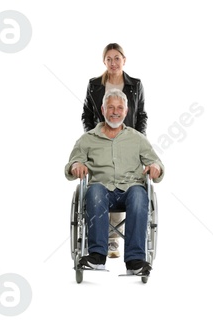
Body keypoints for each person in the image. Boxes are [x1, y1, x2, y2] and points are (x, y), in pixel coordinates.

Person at [66, 89, 164, 276]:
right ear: (103, 109)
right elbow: (72, 164)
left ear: (126, 112)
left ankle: (135, 260)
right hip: (100, 192)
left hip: (130, 191)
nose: (115, 111)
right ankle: (96, 256)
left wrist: (155, 167)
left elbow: (156, 163)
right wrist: (76, 165)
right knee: (94, 191)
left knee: (138, 193)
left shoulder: (137, 138)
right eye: (111, 107)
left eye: (120, 108)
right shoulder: (87, 139)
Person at [81, 43, 147, 258]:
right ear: (104, 61)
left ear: (124, 60)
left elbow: (141, 115)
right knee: (104, 179)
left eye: (117, 58)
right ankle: (102, 246)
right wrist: (94, 138)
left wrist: (137, 141)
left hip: (128, 139)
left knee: (127, 181)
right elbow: (87, 114)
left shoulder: (135, 85)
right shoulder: (94, 85)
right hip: (101, 140)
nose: (113, 62)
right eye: (108, 58)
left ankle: (116, 243)